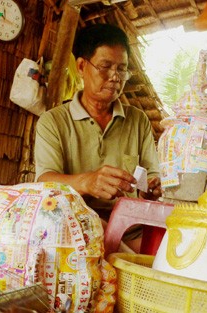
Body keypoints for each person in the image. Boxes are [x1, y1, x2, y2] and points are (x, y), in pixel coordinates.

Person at [34, 23, 162, 250]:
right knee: (96, 233)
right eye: (105, 66)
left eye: (122, 69)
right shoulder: (53, 122)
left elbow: (152, 175)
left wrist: (153, 187)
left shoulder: (138, 120)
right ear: (82, 66)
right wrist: (87, 181)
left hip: (131, 230)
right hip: (77, 231)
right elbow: (44, 182)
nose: (115, 77)